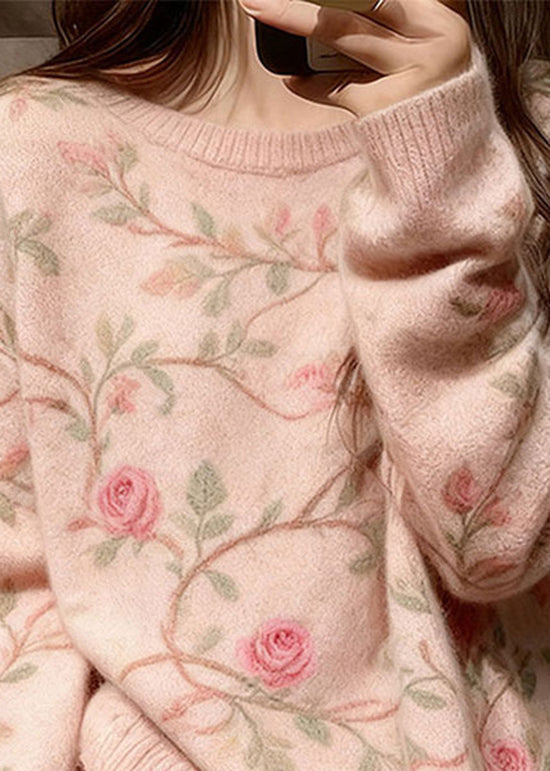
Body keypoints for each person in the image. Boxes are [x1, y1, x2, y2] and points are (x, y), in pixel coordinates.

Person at [0, 0, 549, 768]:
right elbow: (18, 598)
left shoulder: (519, 138)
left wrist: (442, 174)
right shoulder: (33, 148)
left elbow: (496, 543)